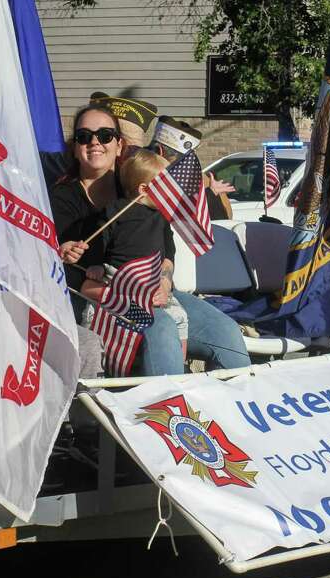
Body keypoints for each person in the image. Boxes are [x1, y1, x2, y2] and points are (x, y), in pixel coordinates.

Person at [50, 104, 249, 375]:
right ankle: (170, 413)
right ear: (75, 147)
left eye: (105, 135)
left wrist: (165, 281)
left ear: (119, 145)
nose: (95, 142)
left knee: (226, 332)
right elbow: (56, 265)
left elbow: (166, 248)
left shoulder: (144, 191)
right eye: (84, 136)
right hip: (101, 298)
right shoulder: (60, 198)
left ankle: (231, 410)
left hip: (158, 291)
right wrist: (61, 251)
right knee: (163, 328)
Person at [82, 150, 188, 362]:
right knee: (96, 317)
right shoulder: (115, 211)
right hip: (117, 278)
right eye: (165, 187)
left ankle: (180, 370)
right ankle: (96, 364)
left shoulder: (161, 217)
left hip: (151, 282)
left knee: (181, 317)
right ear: (144, 189)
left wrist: (164, 285)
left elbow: (168, 254)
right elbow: (99, 244)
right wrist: (96, 265)